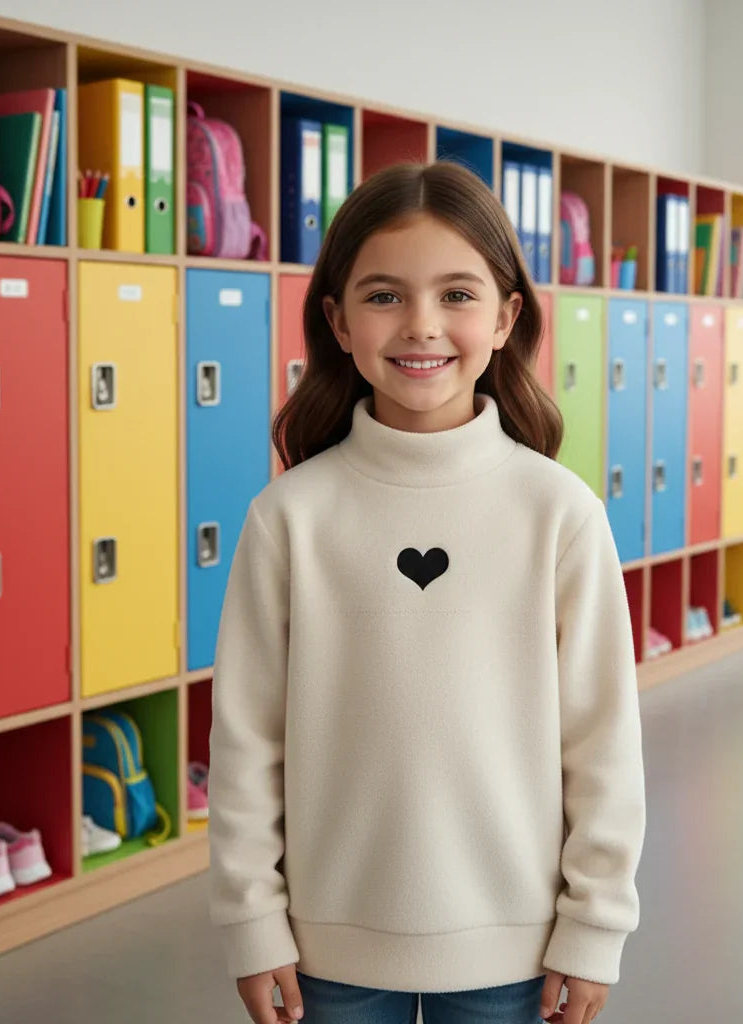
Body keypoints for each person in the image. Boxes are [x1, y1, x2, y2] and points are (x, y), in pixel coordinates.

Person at [208, 160, 646, 1024]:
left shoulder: (558, 513)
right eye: (382, 296)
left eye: (456, 294)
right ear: (335, 319)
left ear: (506, 316)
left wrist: (594, 927)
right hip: (326, 946)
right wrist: (252, 919)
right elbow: (246, 741)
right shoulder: (289, 517)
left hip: (513, 945)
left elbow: (603, 743)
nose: (421, 326)